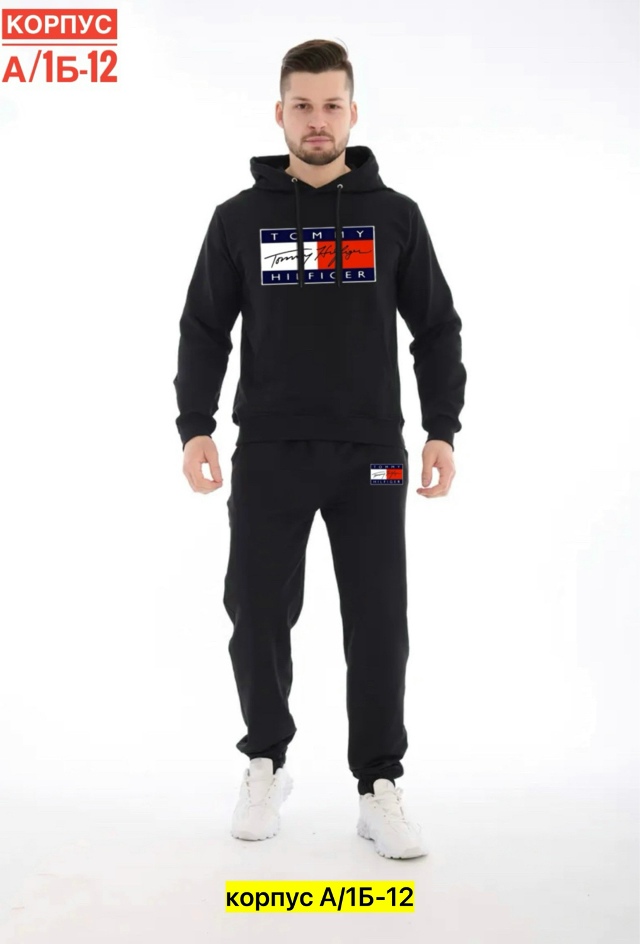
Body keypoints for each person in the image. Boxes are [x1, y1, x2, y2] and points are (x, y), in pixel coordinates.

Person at [173, 38, 467, 859]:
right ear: (279, 113)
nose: (317, 120)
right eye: (302, 105)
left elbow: (437, 328)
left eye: (331, 105)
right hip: (269, 447)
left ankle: (378, 785)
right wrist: (195, 425)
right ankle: (265, 763)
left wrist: (441, 429)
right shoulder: (238, 219)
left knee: (378, 619)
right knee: (257, 610)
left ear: (353, 113)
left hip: (372, 448)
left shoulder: (395, 216)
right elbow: (204, 328)